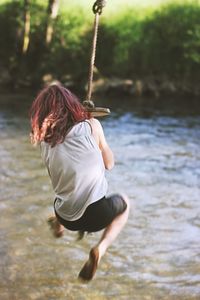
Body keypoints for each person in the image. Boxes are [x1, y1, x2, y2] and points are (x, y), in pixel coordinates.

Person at [30, 83, 130, 281]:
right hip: (96, 213)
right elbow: (109, 164)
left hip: (66, 215)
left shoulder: (44, 141)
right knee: (125, 204)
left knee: (67, 193)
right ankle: (100, 250)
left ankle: (59, 225)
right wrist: (97, 135)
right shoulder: (92, 126)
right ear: (72, 105)